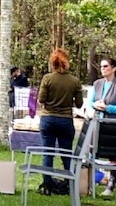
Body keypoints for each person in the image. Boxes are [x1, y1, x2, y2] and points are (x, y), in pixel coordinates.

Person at [37, 48, 83, 195]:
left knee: (48, 154)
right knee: (66, 154)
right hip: (65, 120)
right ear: (66, 62)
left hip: (48, 119)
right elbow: (80, 104)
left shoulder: (47, 78)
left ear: (53, 63)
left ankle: (47, 186)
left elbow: (41, 100)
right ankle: (69, 186)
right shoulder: (74, 81)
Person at [91, 57, 116, 197]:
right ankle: (91, 182)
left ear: (114, 68)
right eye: (101, 66)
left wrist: (108, 107)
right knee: (92, 151)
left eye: (105, 66)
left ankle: (111, 185)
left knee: (113, 156)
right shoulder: (97, 83)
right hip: (97, 123)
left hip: (113, 126)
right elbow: (91, 102)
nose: (103, 69)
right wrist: (95, 105)